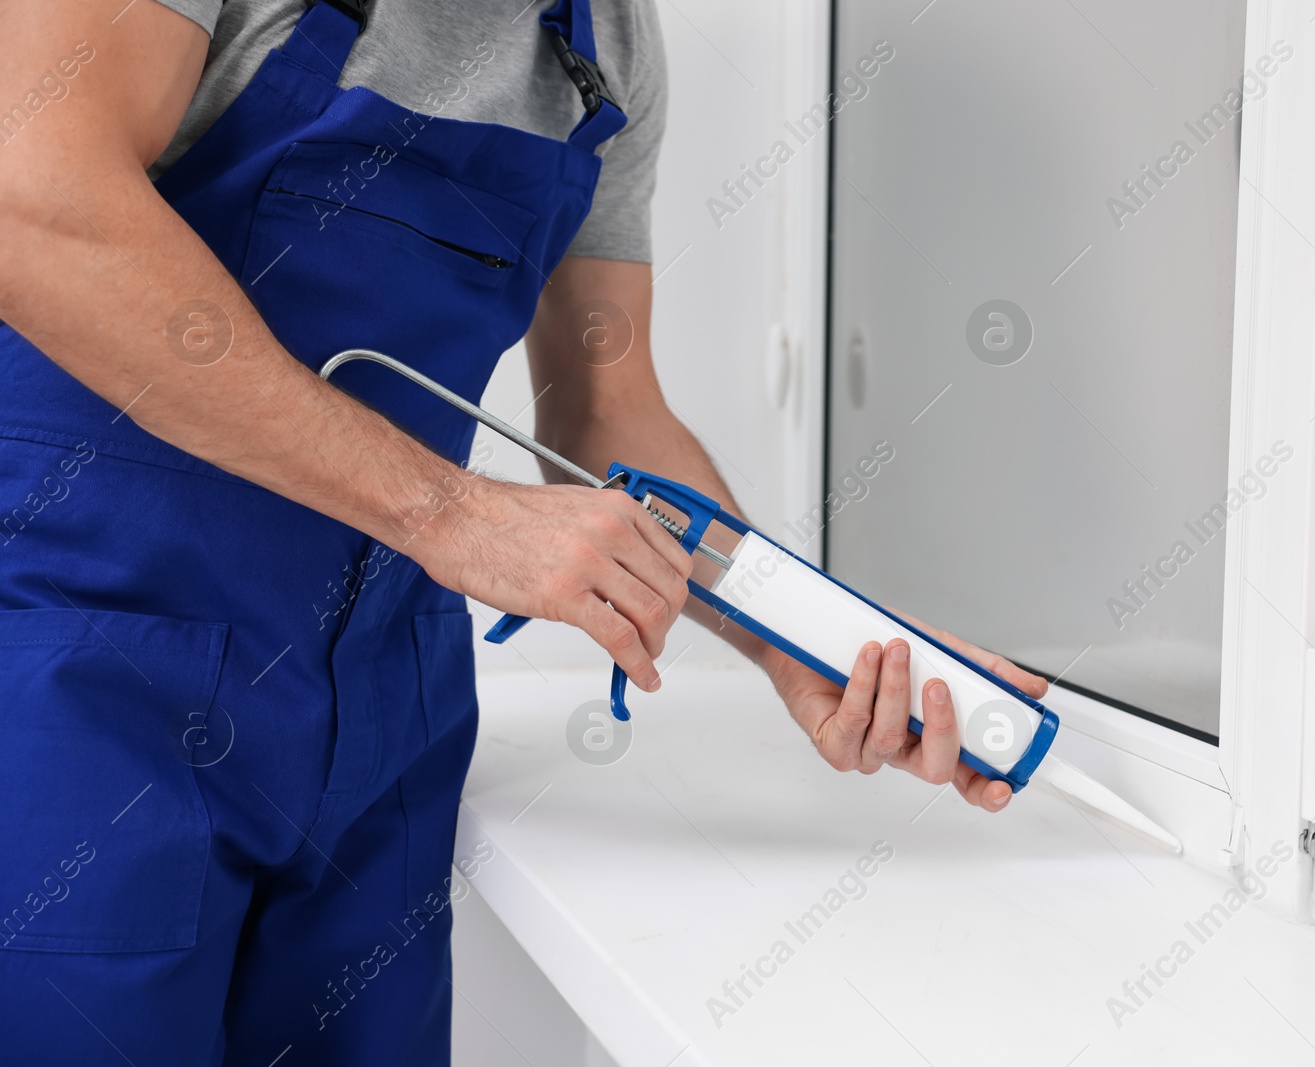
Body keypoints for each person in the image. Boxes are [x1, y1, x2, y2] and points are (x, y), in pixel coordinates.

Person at [0, 1, 1046, 1062]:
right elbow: (36, 201)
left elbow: (605, 407)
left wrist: (811, 642)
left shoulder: (607, 45)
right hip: (88, 678)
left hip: (383, 720)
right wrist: (447, 511)